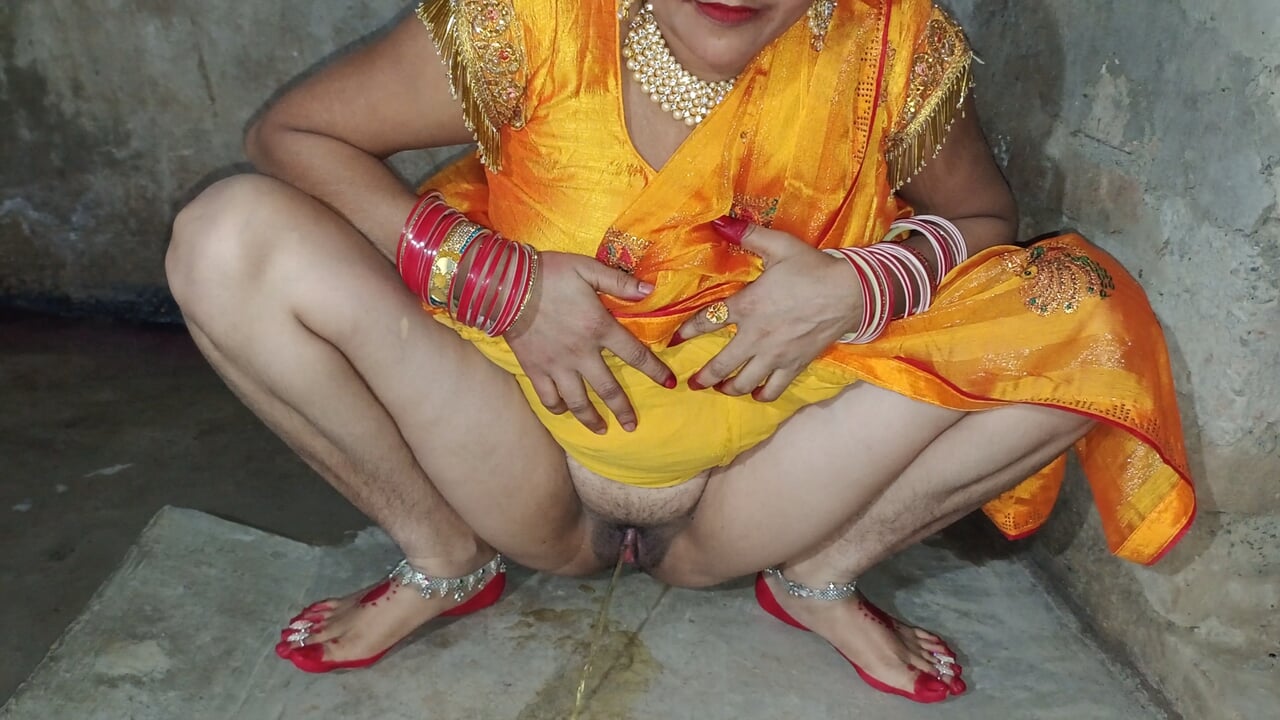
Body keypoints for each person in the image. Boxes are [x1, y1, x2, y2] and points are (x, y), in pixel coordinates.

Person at [165, 0, 1195, 704]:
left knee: (1088, 319)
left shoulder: (888, 42)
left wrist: (859, 285)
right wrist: (498, 283)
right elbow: (291, 137)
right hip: (512, 453)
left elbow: (979, 217)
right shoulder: (525, 23)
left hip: (764, 479)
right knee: (226, 238)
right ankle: (444, 557)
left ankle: (819, 575)